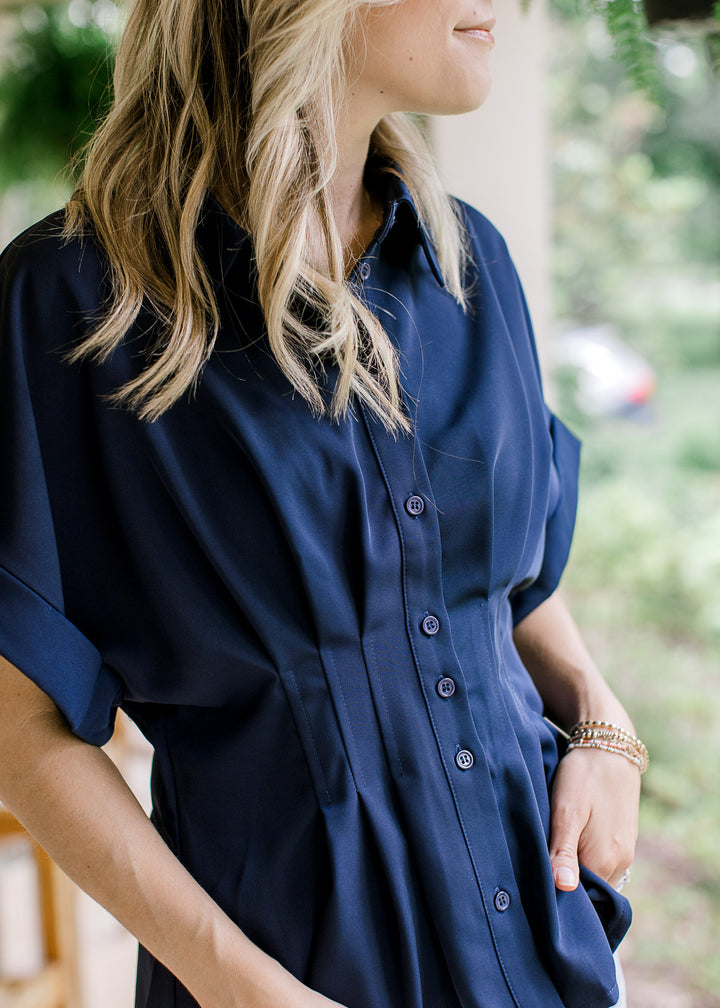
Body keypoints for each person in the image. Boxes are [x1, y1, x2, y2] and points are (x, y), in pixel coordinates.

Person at [0, 1, 646, 1006]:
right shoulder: (71, 305)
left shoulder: (469, 261)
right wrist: (238, 985)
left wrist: (605, 728)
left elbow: (499, 586)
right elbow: (20, 726)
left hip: (538, 951)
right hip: (289, 973)